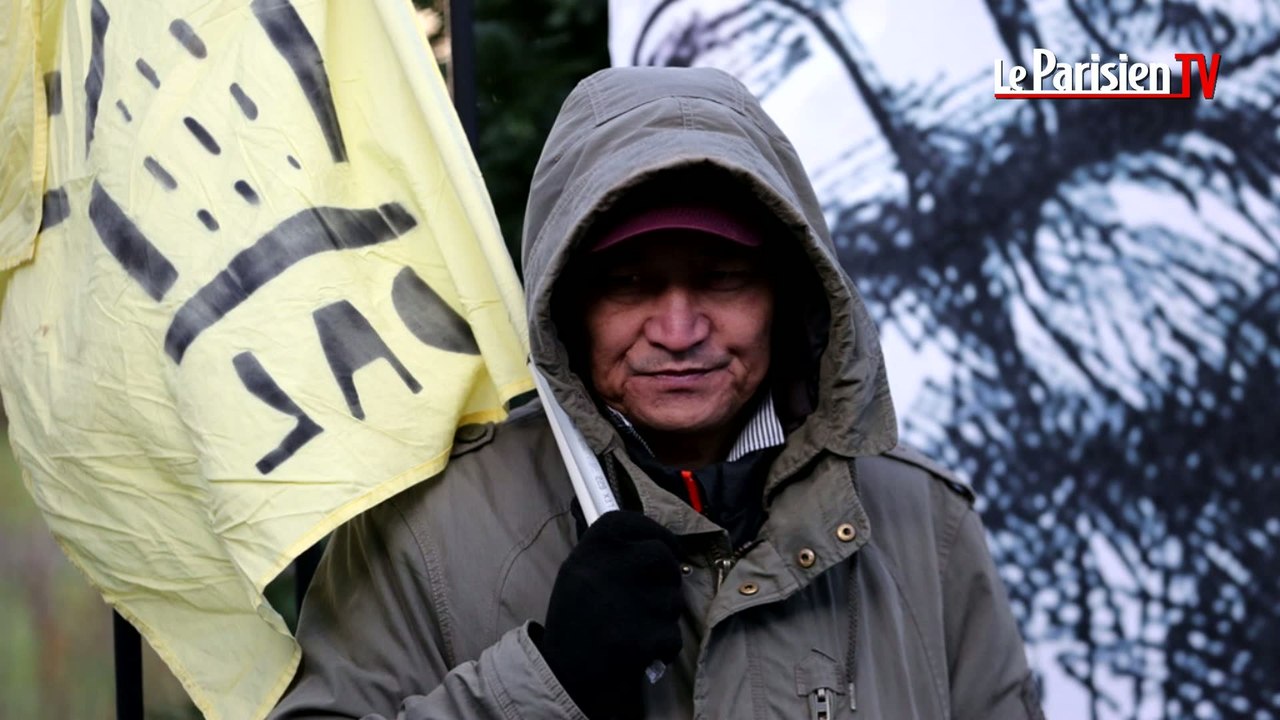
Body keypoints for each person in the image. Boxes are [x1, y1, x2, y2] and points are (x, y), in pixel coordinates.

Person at [270, 66, 1044, 719]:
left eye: (723, 277)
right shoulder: (425, 531)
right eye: (629, 283)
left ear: (789, 293)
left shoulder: (920, 522)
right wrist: (546, 684)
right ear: (568, 304)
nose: (678, 330)